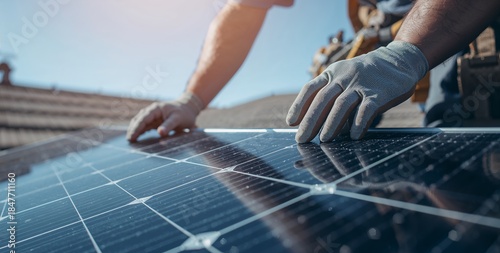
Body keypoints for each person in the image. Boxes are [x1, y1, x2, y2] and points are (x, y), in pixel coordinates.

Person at [126, 0, 500, 143]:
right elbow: (245, 9)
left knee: (463, 138)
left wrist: (402, 55)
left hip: (467, 20)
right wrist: (191, 101)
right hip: (397, 27)